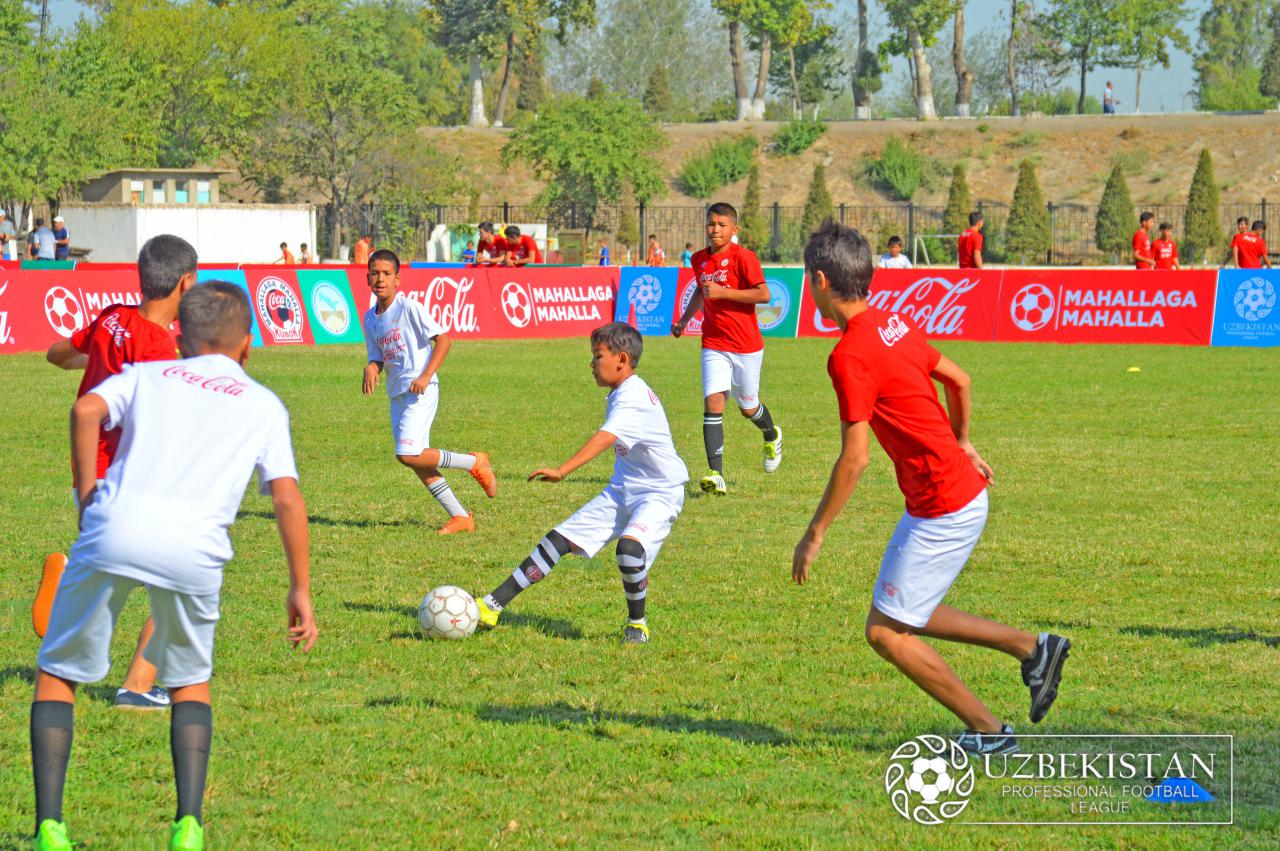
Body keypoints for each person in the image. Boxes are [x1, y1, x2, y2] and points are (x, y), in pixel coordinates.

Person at [29, 281, 318, 851]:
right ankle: (188, 826)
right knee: (189, 682)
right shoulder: (263, 403)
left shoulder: (149, 374)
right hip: (197, 550)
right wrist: (300, 587)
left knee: (57, 673)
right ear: (246, 347)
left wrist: (89, 492)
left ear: (179, 337)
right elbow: (286, 497)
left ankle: (49, 829)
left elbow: (86, 408)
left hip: (115, 528)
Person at [793, 220, 1070, 755]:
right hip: (950, 493)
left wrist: (816, 532)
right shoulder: (894, 323)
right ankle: (1033, 650)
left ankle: (990, 731)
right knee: (902, 611)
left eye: (809, 278)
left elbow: (855, 458)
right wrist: (963, 441)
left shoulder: (848, 355)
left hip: (944, 503)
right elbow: (960, 379)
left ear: (821, 281)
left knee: (886, 632)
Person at [39, 234, 199, 712]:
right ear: (186, 284)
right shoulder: (158, 349)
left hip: (88, 473)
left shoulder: (112, 317)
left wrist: (98, 362)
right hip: (130, 482)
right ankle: (135, 687)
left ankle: (73, 579)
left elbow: (58, 353)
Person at [476, 322, 687, 644]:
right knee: (557, 541)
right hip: (623, 487)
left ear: (622, 359)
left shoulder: (632, 396)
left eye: (597, 356)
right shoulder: (622, 391)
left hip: (660, 492)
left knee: (629, 550)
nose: (591, 364)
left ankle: (637, 624)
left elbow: (605, 438)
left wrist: (563, 470)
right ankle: (491, 605)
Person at [361, 249, 497, 534]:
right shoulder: (370, 318)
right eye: (375, 273)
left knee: (407, 454)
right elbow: (378, 356)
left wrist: (425, 375)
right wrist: (372, 368)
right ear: (367, 278)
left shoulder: (409, 307)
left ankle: (474, 462)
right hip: (398, 393)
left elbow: (444, 341)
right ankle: (461, 517)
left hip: (421, 389)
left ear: (398, 279)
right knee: (416, 458)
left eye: (387, 274)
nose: (380, 278)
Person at [672, 202, 782, 495]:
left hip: (746, 345)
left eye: (722, 225)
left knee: (748, 407)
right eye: (711, 224)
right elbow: (700, 289)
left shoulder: (744, 258)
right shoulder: (698, 260)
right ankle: (715, 474)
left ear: (734, 230)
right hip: (714, 343)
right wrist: (684, 320)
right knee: (713, 401)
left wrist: (724, 293)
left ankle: (771, 435)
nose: (715, 229)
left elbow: (764, 293)